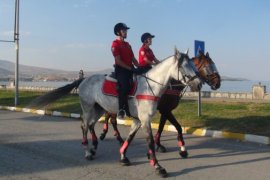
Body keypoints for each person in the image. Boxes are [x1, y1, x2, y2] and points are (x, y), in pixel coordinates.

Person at [111, 22, 140, 119]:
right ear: (118, 32)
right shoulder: (115, 44)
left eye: (126, 30)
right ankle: (121, 110)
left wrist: (140, 68)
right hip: (121, 70)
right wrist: (130, 68)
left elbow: (134, 59)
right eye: (124, 30)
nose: (126, 32)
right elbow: (118, 61)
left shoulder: (128, 45)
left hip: (130, 69)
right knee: (124, 87)